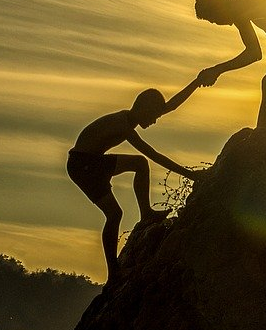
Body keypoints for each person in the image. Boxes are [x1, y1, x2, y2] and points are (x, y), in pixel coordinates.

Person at [67, 81, 200, 283]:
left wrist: (197, 82)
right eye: (153, 116)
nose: (155, 121)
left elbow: (170, 106)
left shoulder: (130, 119)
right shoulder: (123, 125)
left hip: (90, 161)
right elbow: (154, 155)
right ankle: (114, 272)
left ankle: (145, 213)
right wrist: (191, 175)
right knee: (114, 213)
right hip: (83, 165)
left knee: (139, 165)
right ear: (144, 109)